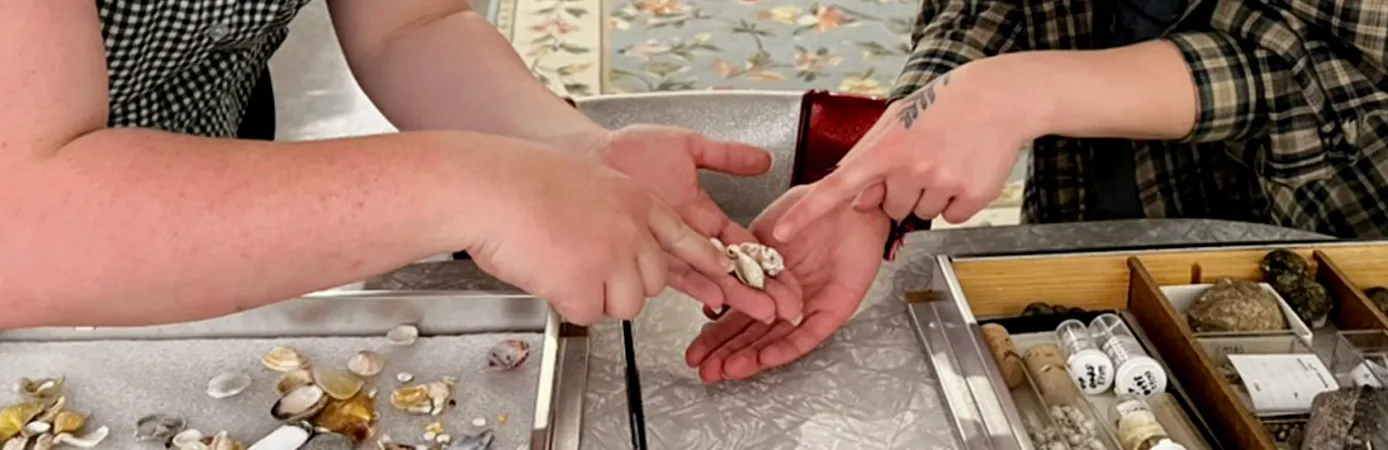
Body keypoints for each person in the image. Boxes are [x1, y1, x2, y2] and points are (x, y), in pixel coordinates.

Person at [687, 0, 1388, 382]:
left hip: (1336, 225)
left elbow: (1330, 68)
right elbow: (978, 13)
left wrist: (1020, 91)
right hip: (1093, 204)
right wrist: (883, 178)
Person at [0, 1, 804, 330]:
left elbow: (408, 24)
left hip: (199, 217)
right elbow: (24, 221)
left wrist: (570, 152)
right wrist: (469, 184)